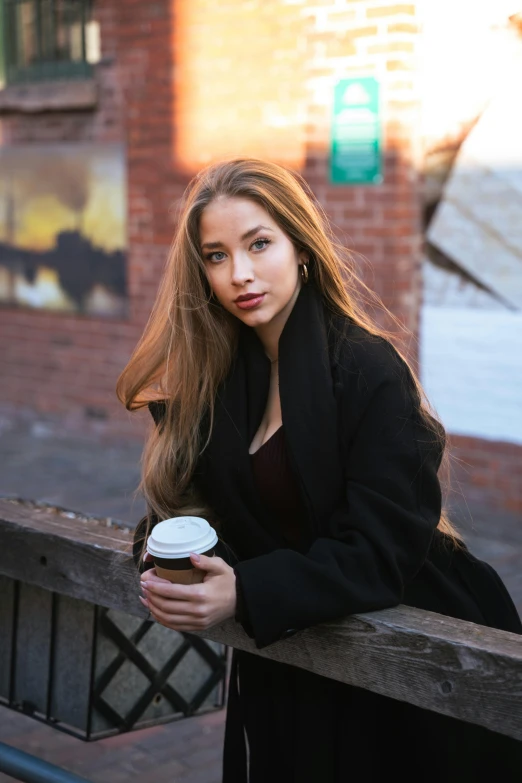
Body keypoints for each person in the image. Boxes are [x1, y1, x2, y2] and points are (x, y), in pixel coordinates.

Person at [117, 158, 522, 783]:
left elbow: (378, 553)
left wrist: (245, 592)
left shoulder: (366, 367)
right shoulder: (221, 378)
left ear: (300, 249)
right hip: (295, 663)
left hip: (419, 658)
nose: (240, 274)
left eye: (259, 244)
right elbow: (201, 506)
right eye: (217, 256)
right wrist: (171, 559)